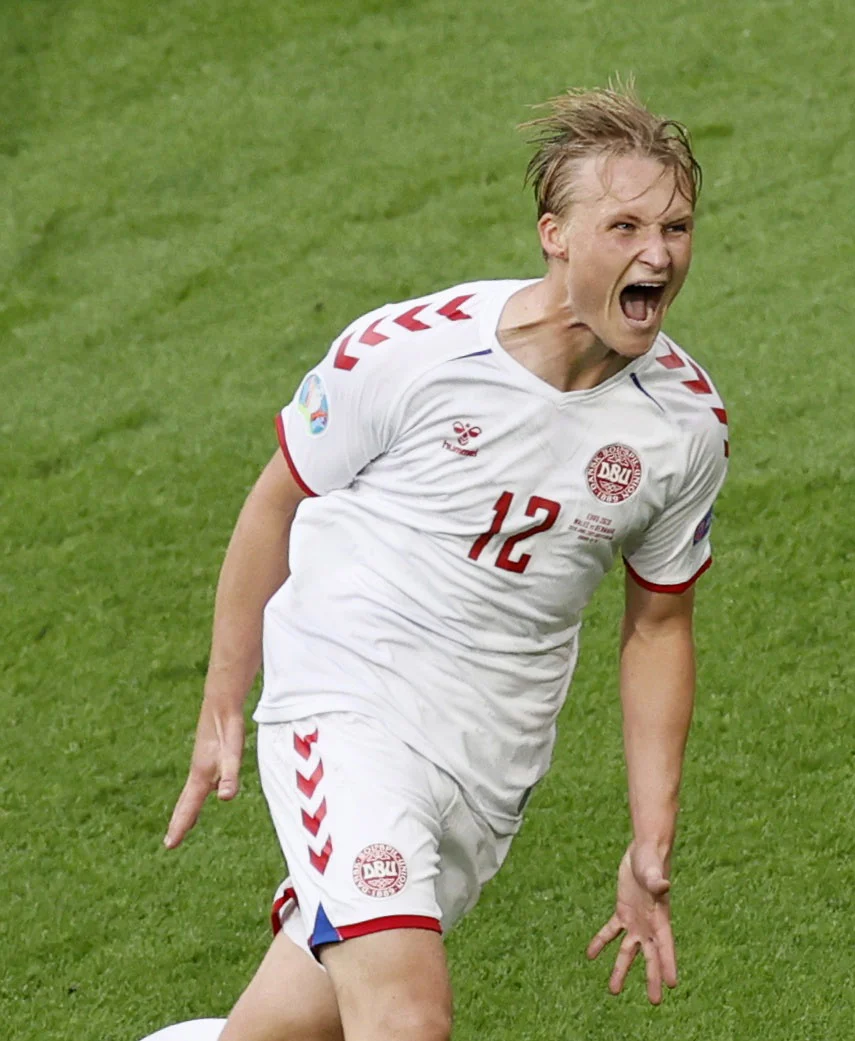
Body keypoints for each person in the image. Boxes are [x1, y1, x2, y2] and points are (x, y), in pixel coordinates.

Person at [162, 84, 728, 1041]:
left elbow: (659, 624)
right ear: (555, 235)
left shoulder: (684, 424)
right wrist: (225, 699)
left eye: (675, 226)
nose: (659, 253)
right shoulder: (413, 353)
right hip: (348, 701)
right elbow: (277, 499)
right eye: (625, 225)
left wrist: (650, 839)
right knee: (408, 1018)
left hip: (488, 765)